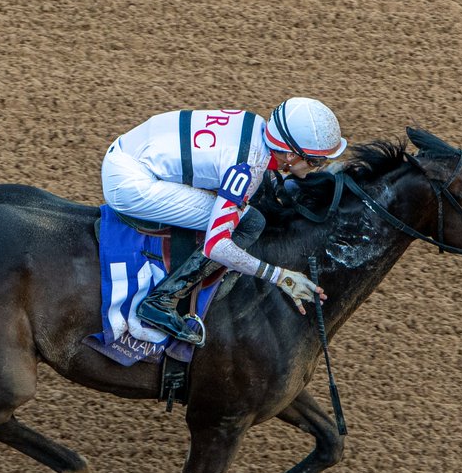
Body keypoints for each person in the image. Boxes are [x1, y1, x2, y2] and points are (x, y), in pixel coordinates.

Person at [101, 97, 347, 345]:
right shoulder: (246, 166)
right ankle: (161, 301)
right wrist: (280, 276)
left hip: (129, 151)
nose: (318, 167)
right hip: (129, 184)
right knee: (249, 223)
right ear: (291, 155)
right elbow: (216, 245)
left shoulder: (256, 125)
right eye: (316, 161)